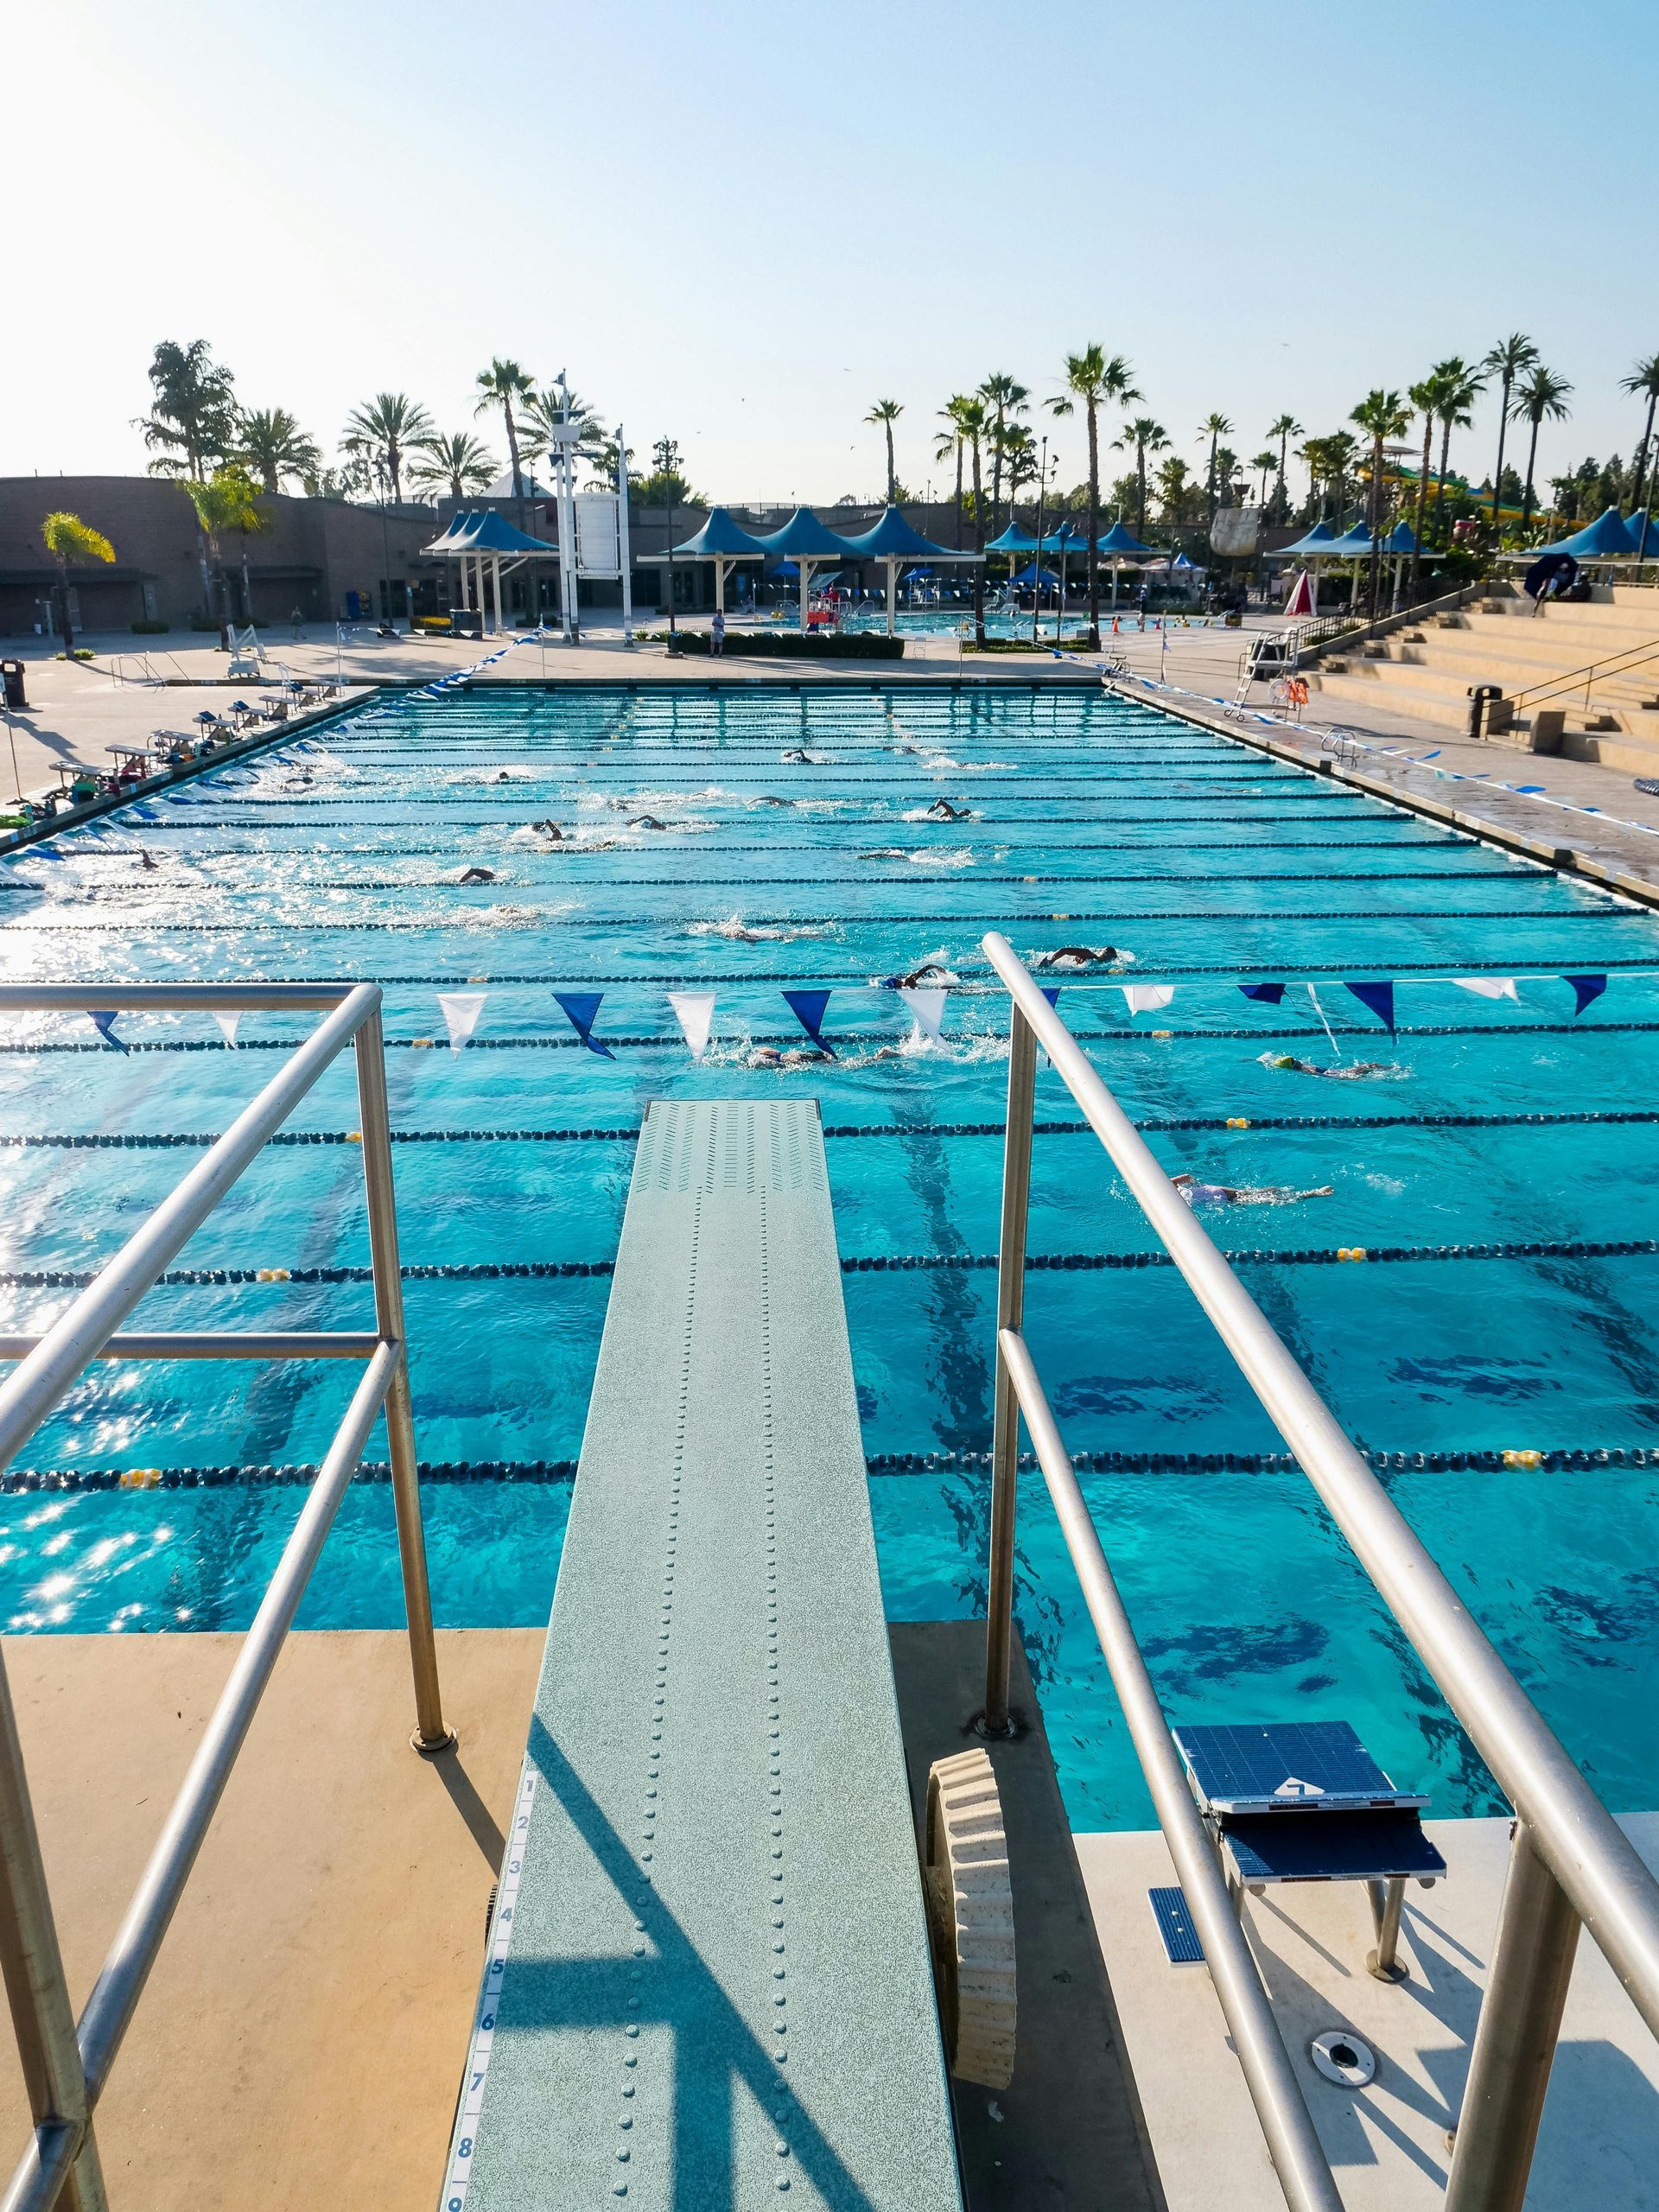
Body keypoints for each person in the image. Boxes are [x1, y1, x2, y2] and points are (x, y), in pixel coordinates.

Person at [1172, 1172, 1333, 1207]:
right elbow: (1188, 1177)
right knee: (1264, 1192)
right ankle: (1312, 1193)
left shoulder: (1164, 1197)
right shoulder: (1166, 1185)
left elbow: (1186, 1177)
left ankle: (1313, 1194)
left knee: (1269, 1199)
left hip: (1222, 1198)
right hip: (1214, 1190)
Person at [1257, 1052, 1394, 1081]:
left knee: (1372, 1066)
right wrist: (1346, 1078)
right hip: (1342, 1074)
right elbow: (1322, 1075)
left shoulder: (1300, 1067)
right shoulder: (1306, 1070)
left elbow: (1270, 1060)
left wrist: (1257, 1060)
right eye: (1294, 1060)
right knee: (1371, 1066)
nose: (1297, 1060)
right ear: (1294, 1066)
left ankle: (1393, 1070)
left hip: (1341, 1072)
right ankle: (1395, 1070)